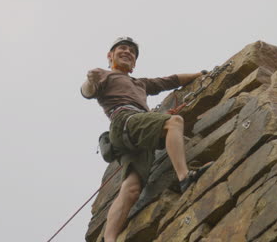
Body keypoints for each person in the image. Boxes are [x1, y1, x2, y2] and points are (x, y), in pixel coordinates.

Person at [81, 37, 212, 242]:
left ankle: (110, 239)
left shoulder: (140, 83)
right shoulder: (103, 75)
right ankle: (185, 177)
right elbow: (87, 92)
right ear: (110, 56)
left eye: (132, 52)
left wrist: (199, 74)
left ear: (134, 64)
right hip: (125, 119)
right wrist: (89, 81)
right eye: (122, 49)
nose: (127, 52)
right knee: (174, 122)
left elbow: (171, 80)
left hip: (133, 132)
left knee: (132, 188)